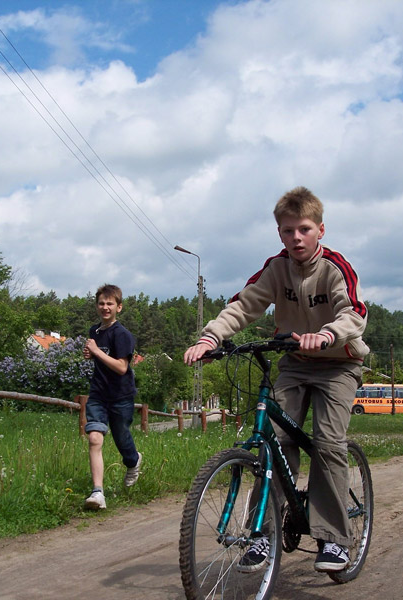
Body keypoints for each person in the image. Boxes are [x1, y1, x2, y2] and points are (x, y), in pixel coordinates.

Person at [184, 186, 369, 573]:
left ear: (320, 229)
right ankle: (262, 535)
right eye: (287, 231)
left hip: (337, 364)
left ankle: (334, 539)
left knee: (328, 444)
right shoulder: (276, 268)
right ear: (280, 233)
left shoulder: (335, 267)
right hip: (295, 363)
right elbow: (243, 305)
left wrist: (328, 334)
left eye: (303, 229)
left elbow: (354, 312)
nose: (295, 238)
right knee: (275, 442)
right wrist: (210, 336)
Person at [82, 284, 143, 510]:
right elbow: (99, 357)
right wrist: (91, 355)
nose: (105, 307)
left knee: (121, 437)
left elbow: (121, 367)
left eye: (110, 304)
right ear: (97, 306)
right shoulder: (94, 331)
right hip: (98, 394)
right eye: (101, 303)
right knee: (95, 438)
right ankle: (98, 493)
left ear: (119, 307)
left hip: (121, 396)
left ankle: (133, 460)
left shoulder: (123, 335)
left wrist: (96, 352)